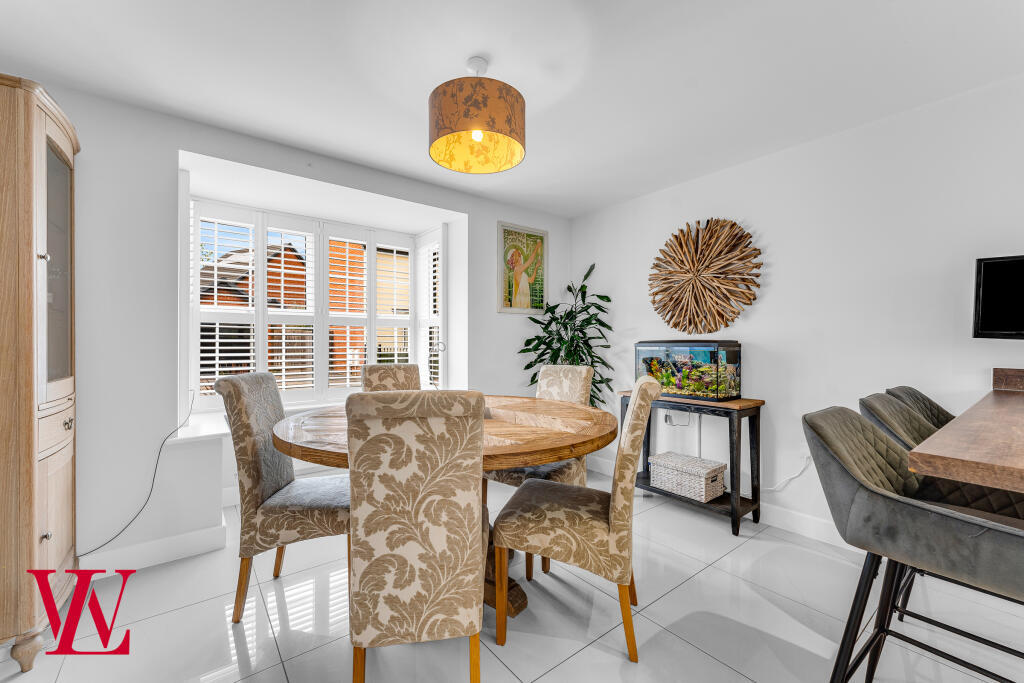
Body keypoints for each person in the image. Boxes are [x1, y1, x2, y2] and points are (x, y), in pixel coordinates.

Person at [508, 240, 542, 309]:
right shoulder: (517, 270)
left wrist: (536, 267)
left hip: (525, 303)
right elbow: (530, 260)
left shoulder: (522, 273)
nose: (520, 257)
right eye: (518, 255)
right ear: (515, 259)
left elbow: (531, 280)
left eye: (520, 255)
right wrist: (537, 246)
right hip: (520, 305)